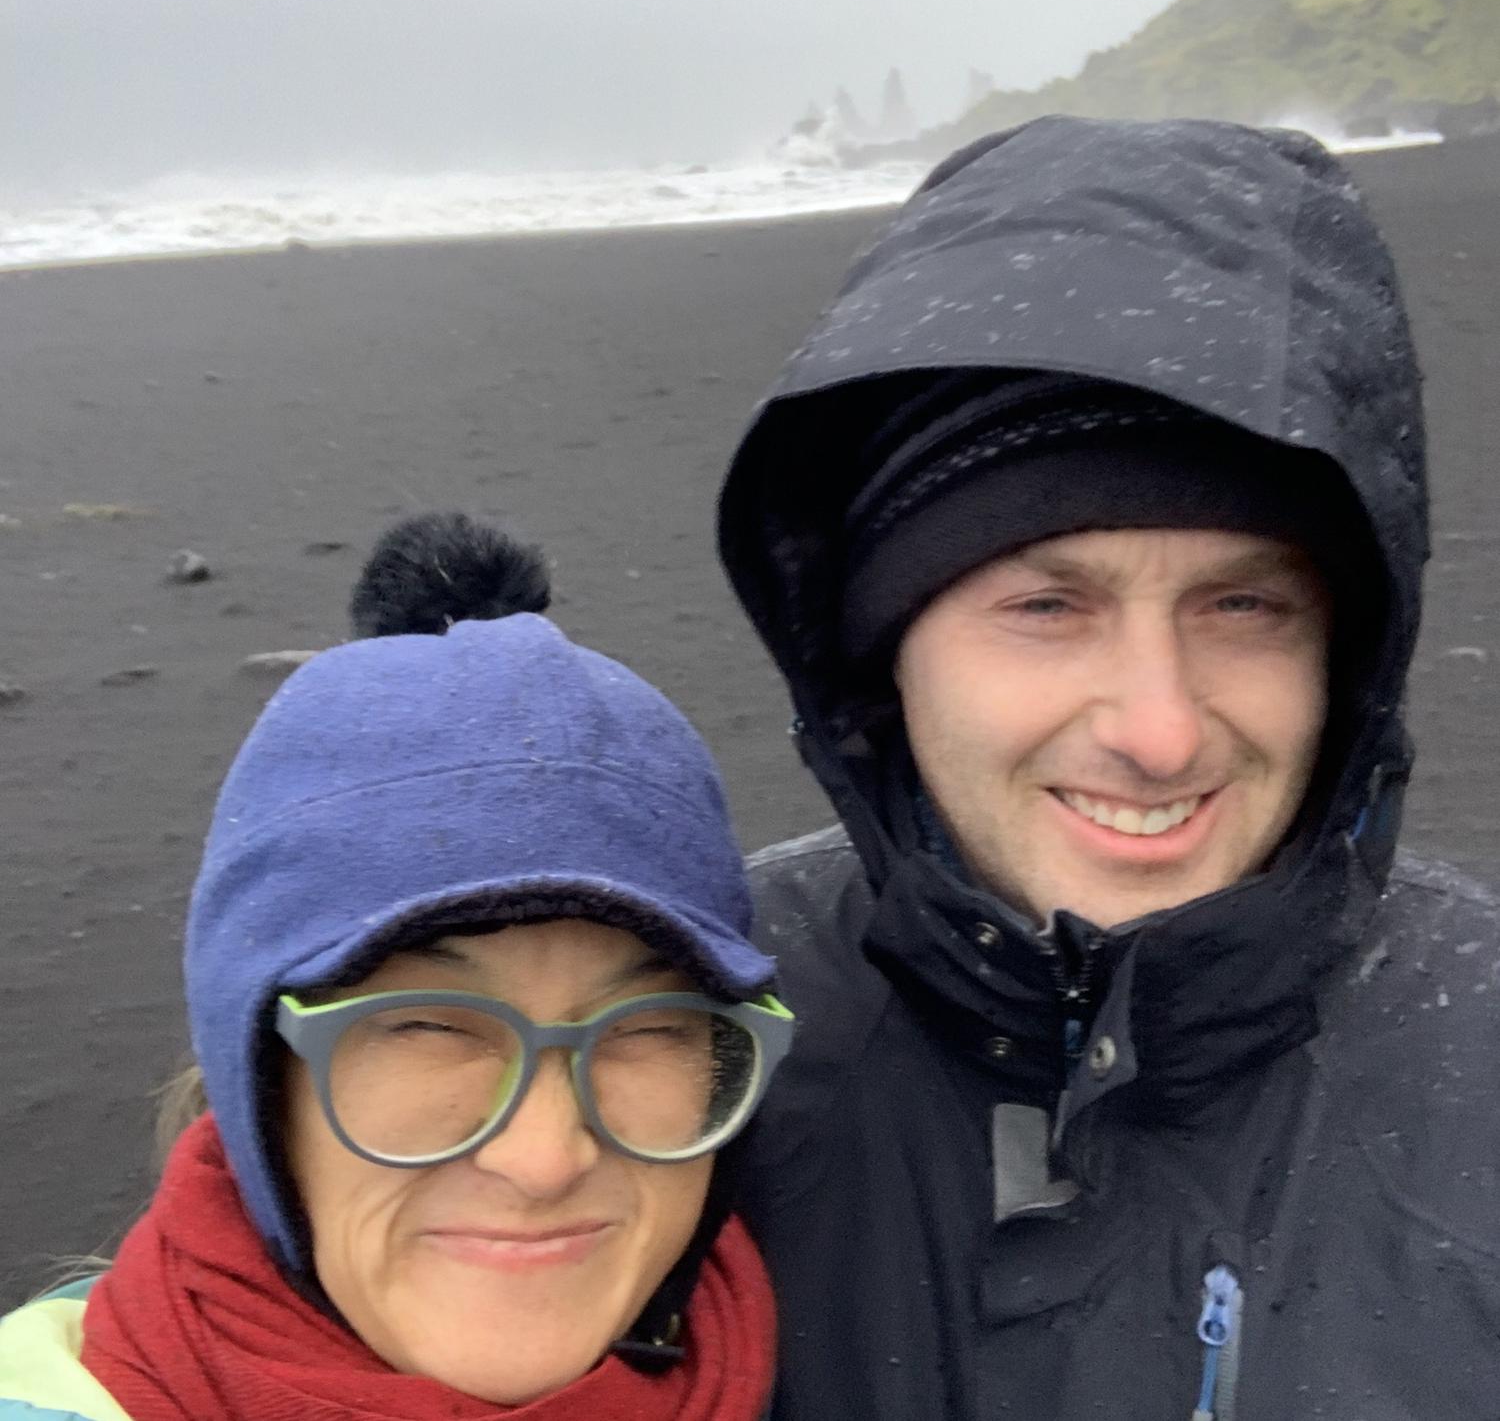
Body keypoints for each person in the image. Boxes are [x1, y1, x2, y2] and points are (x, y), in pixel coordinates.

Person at [716, 116, 1500, 1418]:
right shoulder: (681, 1054)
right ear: (879, 654)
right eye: (1048, 606)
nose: (1161, 732)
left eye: (1243, 606)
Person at [0, 514, 791, 1421]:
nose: (542, 1160)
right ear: (258, 1083)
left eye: (650, 1028)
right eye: (426, 1025)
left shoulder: (837, 1327)